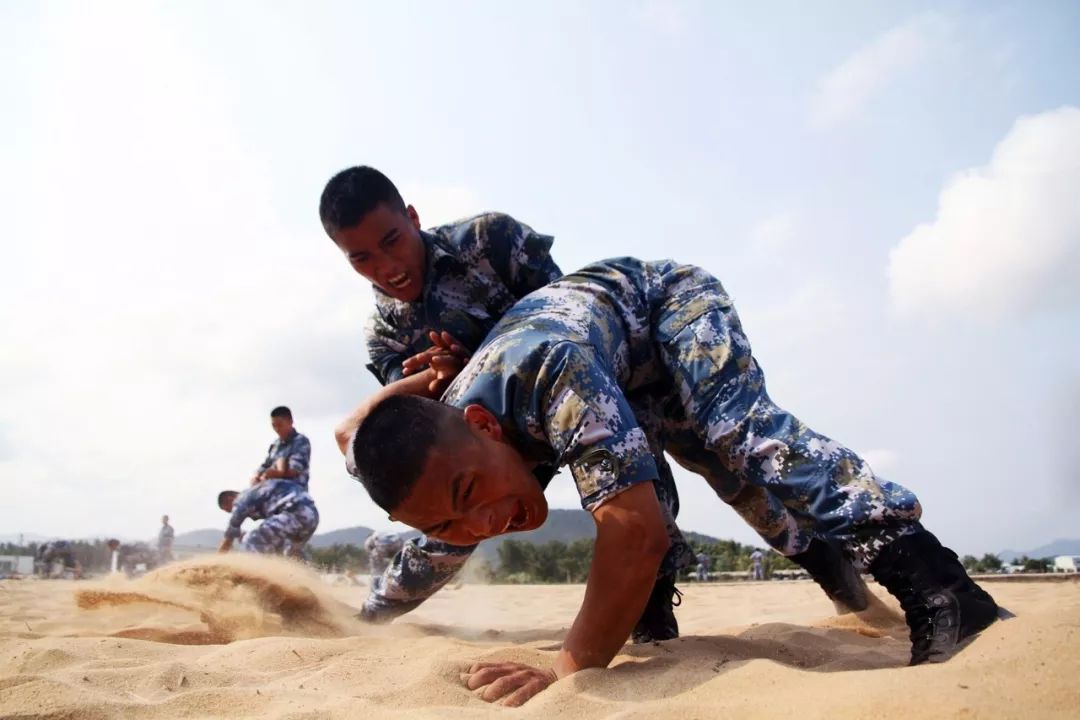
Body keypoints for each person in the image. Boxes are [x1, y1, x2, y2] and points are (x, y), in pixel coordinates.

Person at [344, 257, 1003, 706]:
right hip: (620, 376)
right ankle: (656, 609)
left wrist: (568, 666)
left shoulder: (545, 372)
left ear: (486, 427)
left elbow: (634, 533)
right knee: (684, 488)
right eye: (447, 522)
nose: (481, 527)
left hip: (666, 308)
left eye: (467, 501)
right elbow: (429, 552)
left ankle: (937, 584)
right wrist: (364, 620)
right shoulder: (452, 471)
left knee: (734, 438)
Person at [322, 166, 863, 641]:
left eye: (391, 240)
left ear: (412, 217)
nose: (385, 265)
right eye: (361, 258)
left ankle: (828, 574)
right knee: (451, 517)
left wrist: (483, 360)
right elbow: (418, 430)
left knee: (716, 467)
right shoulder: (384, 336)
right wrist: (440, 378)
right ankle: (370, 617)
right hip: (493, 442)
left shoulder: (488, 240)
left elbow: (564, 310)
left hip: (597, 380)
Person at [217, 478, 319, 558]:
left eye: (229, 510)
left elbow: (229, 537)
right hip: (311, 516)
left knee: (251, 540)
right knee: (288, 554)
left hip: (295, 513)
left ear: (230, 498)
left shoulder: (241, 499)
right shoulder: (258, 492)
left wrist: (216, 562)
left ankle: (251, 578)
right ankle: (311, 578)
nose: (232, 512)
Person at [252, 406, 311, 489]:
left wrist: (274, 473)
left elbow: (294, 470)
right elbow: (266, 465)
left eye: (280, 425)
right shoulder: (275, 445)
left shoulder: (300, 441)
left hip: (294, 493)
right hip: (273, 493)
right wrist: (256, 475)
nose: (277, 429)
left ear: (290, 421)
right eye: (274, 425)